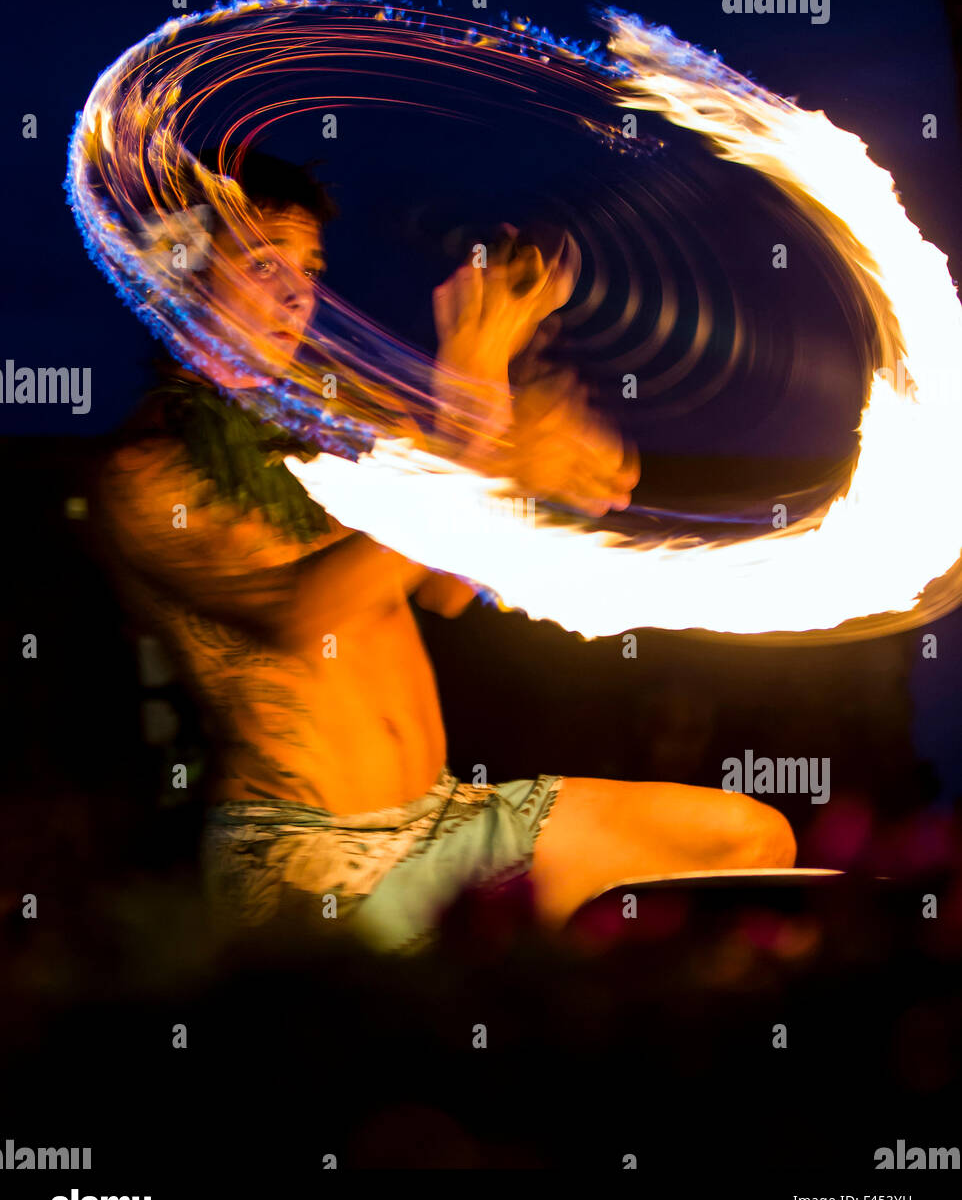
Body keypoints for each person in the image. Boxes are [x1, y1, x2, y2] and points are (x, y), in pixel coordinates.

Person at [93, 150, 796, 953]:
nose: (298, 294)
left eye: (309, 267)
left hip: (448, 818)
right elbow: (305, 614)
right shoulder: (145, 473)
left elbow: (448, 589)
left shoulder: (324, 450)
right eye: (262, 264)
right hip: (307, 857)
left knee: (748, 837)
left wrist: (484, 363)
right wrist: (484, 460)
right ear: (180, 278)